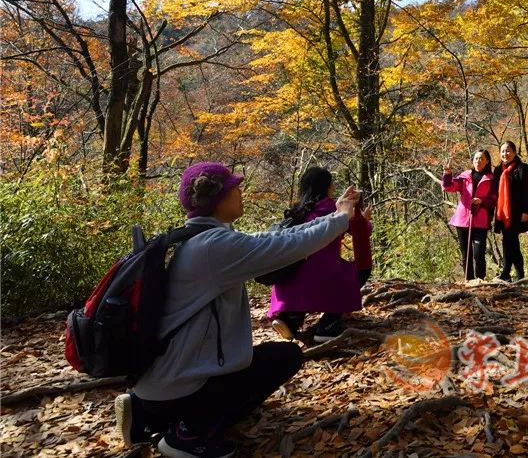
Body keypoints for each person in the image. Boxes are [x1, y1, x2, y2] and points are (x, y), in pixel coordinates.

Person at [114, 161, 359, 458]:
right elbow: (291, 246)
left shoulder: (194, 238)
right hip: (181, 384)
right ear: (218, 198)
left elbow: (274, 238)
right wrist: (341, 219)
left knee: (266, 360)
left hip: (160, 381)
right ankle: (190, 435)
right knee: (284, 358)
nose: (241, 193)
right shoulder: (214, 247)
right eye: (235, 188)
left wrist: (336, 215)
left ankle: (146, 414)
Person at [269, 167, 370, 342]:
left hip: (290, 275)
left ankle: (289, 319)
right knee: (355, 272)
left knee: (307, 274)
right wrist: (363, 218)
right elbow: (362, 232)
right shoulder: (334, 209)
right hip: (324, 277)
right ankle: (328, 325)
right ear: (329, 187)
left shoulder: (296, 211)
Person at [442, 150, 496, 280]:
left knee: (478, 253)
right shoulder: (464, 177)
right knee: (466, 253)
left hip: (480, 221)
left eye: (482, 159)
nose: (478, 161)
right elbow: (448, 187)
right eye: (476, 158)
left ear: (487, 161)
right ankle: (469, 280)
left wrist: (481, 201)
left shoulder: (491, 179)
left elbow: (494, 199)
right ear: (473, 160)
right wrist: (447, 173)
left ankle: (480, 280)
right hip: (463, 220)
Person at [492, 141, 528, 281]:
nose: (505, 154)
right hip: (502, 212)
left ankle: (516, 273)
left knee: (512, 241)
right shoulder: (498, 170)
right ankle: (508, 272)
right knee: (507, 241)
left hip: (516, 212)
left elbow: (527, 191)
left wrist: (526, 211)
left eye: (508, 151)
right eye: (503, 151)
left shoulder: (523, 168)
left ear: (514, 152)